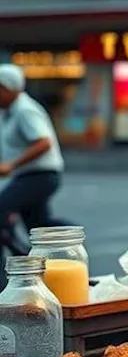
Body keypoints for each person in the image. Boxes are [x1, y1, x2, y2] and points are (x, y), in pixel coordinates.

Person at [0, 64, 68, 237]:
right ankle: (65, 243)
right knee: (38, 226)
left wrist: (12, 165)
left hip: (40, 175)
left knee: (2, 207)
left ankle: (73, 236)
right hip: (27, 175)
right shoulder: (7, 112)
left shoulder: (25, 110)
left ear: (10, 88)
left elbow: (44, 142)